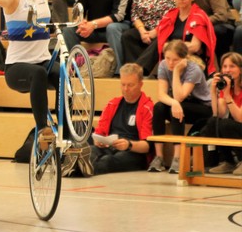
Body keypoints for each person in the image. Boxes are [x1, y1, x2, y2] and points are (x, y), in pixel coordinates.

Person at [0, 0, 122, 153]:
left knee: (63, 75)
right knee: (38, 73)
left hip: (43, 62)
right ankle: (43, 128)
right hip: (17, 69)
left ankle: (66, 129)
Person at [149, 39, 211, 173]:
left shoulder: (194, 69)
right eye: (167, 58)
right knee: (159, 107)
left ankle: (177, 158)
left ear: (184, 58)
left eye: (175, 60)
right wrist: (174, 103)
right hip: (180, 105)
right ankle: (158, 157)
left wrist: (176, 72)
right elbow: (161, 94)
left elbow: (180, 96)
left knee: (176, 108)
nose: (170, 63)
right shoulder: (163, 65)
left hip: (202, 108)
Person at [139, 0, 217, 76]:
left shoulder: (199, 16)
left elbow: (195, 47)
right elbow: (162, 44)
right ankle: (139, 71)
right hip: (172, 59)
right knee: (154, 42)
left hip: (192, 58)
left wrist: (171, 46)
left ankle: (139, 71)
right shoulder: (170, 16)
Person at [90, 63, 153, 174]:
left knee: (107, 161)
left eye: (130, 85)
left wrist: (129, 144)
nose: (126, 89)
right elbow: (99, 132)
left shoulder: (147, 108)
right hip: (110, 146)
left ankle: (83, 171)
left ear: (140, 84)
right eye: (123, 85)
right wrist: (98, 140)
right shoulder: (112, 104)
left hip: (133, 152)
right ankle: (75, 170)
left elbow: (147, 146)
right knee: (89, 152)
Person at [121, 0, 177, 71]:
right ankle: (136, 71)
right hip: (145, 28)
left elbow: (173, 13)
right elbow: (135, 13)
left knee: (160, 39)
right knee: (128, 36)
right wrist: (142, 31)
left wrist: (156, 31)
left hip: (165, 28)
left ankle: (138, 70)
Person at [200, 52, 242, 175]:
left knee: (226, 124)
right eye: (224, 66)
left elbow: (240, 118)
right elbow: (217, 113)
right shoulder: (227, 85)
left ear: (240, 69)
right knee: (214, 122)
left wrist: (228, 95)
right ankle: (227, 161)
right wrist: (213, 92)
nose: (227, 70)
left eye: (232, 66)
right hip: (236, 127)